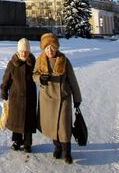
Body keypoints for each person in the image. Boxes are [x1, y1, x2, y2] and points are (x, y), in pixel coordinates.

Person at [33, 33, 82, 164]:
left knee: (64, 127)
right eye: (47, 48)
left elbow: (72, 80)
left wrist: (77, 98)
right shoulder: (40, 60)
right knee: (52, 126)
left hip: (63, 97)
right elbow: (34, 74)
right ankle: (57, 147)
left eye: (52, 47)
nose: (50, 50)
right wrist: (40, 79)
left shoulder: (64, 60)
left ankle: (67, 151)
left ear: (56, 47)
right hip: (47, 99)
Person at [0, 38, 37, 153]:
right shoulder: (12, 63)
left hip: (30, 96)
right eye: (22, 51)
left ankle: (27, 143)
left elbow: (39, 75)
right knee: (16, 119)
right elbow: (6, 79)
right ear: (18, 51)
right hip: (15, 97)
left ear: (29, 51)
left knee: (29, 120)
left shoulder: (33, 62)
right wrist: (4, 92)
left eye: (26, 51)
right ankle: (16, 141)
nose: (24, 53)